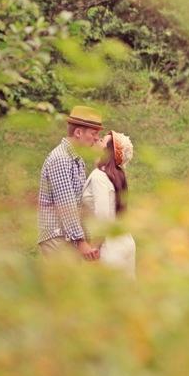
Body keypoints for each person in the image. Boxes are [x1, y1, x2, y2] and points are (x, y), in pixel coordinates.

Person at [38, 105, 104, 260]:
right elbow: (66, 204)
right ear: (78, 132)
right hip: (57, 236)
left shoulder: (76, 159)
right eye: (94, 133)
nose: (96, 138)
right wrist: (80, 242)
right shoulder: (61, 159)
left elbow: (79, 202)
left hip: (68, 237)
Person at [81, 130, 136, 277]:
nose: (97, 141)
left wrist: (93, 249)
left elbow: (103, 218)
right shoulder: (116, 175)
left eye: (102, 141)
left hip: (110, 247)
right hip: (125, 241)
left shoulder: (100, 176)